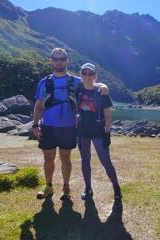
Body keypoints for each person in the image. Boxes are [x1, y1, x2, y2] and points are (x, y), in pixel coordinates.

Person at [33, 48, 109, 200]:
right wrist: (35, 124)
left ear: (67, 61)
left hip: (68, 126)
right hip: (48, 125)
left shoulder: (75, 81)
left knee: (65, 158)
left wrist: (104, 86)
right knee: (48, 158)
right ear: (51, 61)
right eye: (56, 59)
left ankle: (66, 188)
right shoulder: (45, 82)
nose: (59, 62)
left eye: (62, 59)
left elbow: (91, 83)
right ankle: (48, 186)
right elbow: (39, 104)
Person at [76, 63, 122, 200]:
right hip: (82, 131)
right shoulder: (78, 89)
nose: (87, 76)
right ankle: (88, 188)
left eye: (90, 74)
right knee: (85, 160)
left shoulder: (102, 92)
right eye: (84, 73)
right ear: (81, 75)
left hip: (98, 131)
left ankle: (116, 188)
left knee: (106, 161)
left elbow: (108, 115)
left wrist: (107, 133)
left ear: (95, 76)